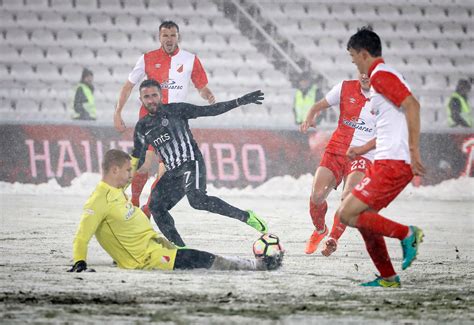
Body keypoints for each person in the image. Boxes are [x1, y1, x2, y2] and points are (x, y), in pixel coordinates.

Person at [69, 149, 283, 273]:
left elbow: (133, 165)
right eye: (126, 171)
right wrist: (80, 263)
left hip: (155, 246)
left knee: (197, 258)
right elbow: (81, 236)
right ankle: (257, 266)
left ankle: (252, 264)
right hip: (145, 259)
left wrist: (139, 148)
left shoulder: (115, 188)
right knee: (199, 259)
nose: (130, 175)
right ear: (114, 171)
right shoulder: (98, 201)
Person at [336, 26, 426, 288]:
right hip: (386, 160)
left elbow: (413, 106)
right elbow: (394, 121)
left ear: (364, 54)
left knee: (346, 213)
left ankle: (407, 234)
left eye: (354, 58)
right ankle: (388, 277)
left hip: (393, 162)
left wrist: (413, 150)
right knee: (365, 219)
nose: (354, 64)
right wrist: (364, 150)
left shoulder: (380, 76)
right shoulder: (387, 77)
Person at [131, 79, 268, 248]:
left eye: (154, 95)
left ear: (161, 95)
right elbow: (137, 157)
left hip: (191, 163)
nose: (151, 100)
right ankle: (181, 249)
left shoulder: (177, 109)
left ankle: (246, 217)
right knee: (155, 207)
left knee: (197, 200)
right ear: (141, 99)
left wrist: (240, 101)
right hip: (172, 173)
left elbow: (210, 110)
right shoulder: (142, 127)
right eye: (146, 97)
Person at [114, 20, 216, 211]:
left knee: (166, 172)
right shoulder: (147, 58)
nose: (169, 39)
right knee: (144, 165)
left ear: (178, 36)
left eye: (172, 35)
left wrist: (207, 94)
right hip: (151, 120)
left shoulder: (190, 59)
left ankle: (148, 210)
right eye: (165, 35)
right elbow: (128, 86)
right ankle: (134, 202)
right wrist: (118, 112)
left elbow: (201, 86)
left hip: (175, 124)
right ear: (159, 37)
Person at [300, 73, 375, 256]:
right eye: (362, 71)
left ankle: (332, 238)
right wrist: (310, 115)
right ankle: (320, 231)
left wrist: (361, 149)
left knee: (348, 197)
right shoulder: (344, 87)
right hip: (336, 149)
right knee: (317, 195)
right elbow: (318, 105)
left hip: (362, 154)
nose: (365, 76)